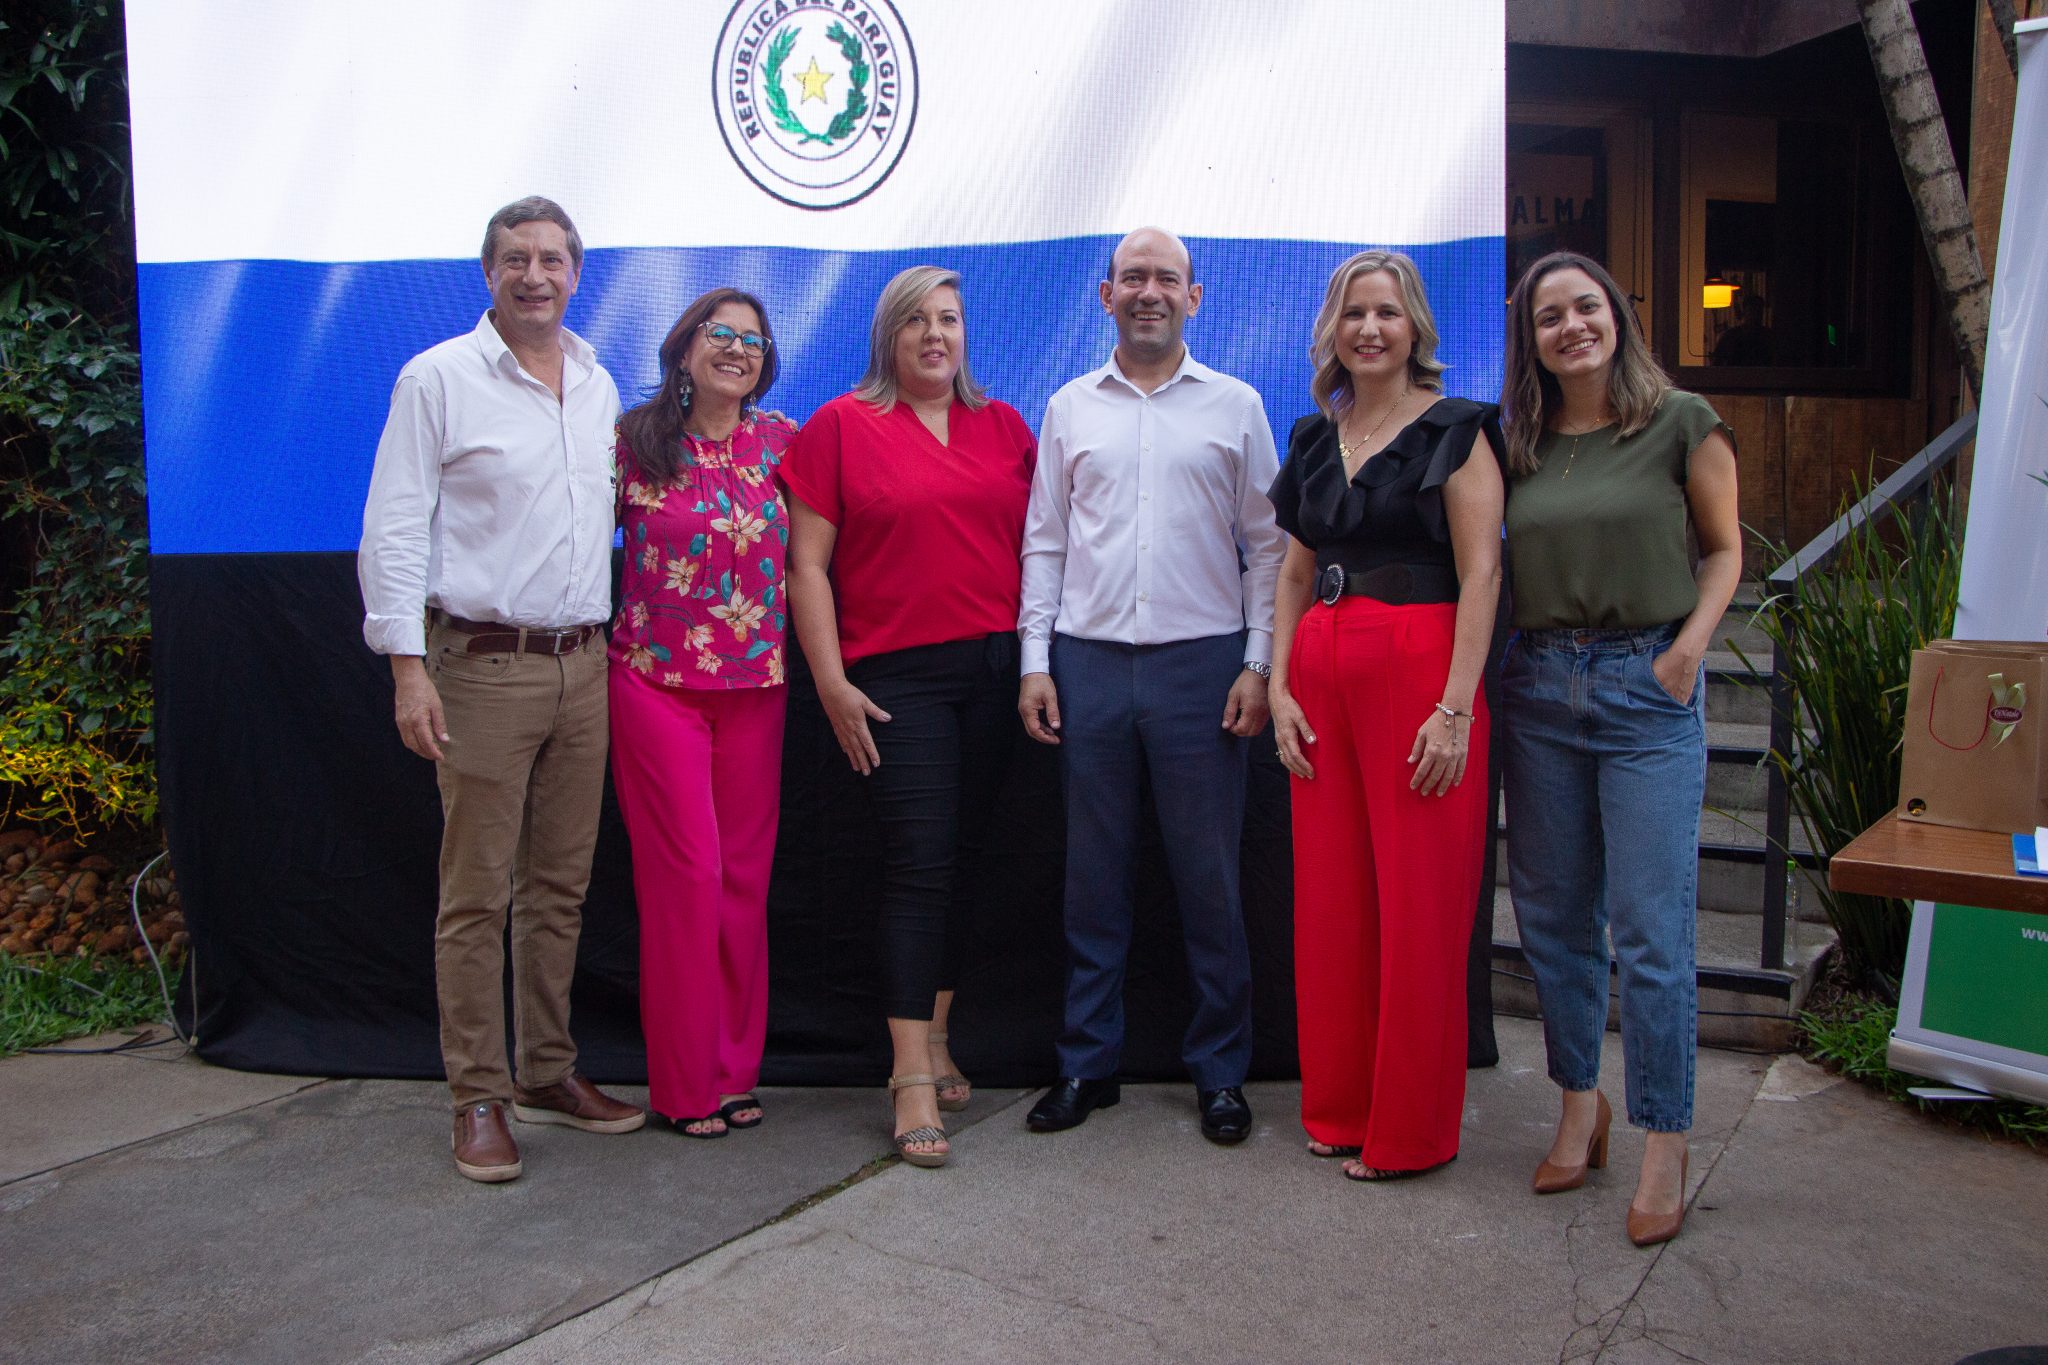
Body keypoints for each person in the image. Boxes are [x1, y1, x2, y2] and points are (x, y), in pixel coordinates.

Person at [359, 195, 645, 1183]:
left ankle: (547, 1072)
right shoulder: (437, 378)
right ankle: (477, 1094)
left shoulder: (598, 383)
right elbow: (395, 528)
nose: (535, 275)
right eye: (516, 259)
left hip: (584, 665)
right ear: (488, 273)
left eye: (552, 259)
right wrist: (406, 668)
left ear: (576, 273)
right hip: (480, 668)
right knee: (476, 894)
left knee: (559, 889)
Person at [1019, 226, 1287, 1145]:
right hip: (1088, 664)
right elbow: (1046, 541)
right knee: (1093, 878)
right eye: (1132, 277)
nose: (1149, 292)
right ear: (1106, 296)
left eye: (1166, 278)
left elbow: (1268, 547)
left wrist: (1259, 661)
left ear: (1193, 297)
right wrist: (1035, 660)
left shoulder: (1236, 405)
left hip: (1202, 668)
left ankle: (1221, 1071)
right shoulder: (1069, 407)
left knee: (1209, 879)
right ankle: (1087, 1063)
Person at [1499, 251, 1740, 1246]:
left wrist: (1686, 652)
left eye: (1584, 307)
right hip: (1538, 690)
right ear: (1531, 339)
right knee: (1553, 919)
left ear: (1616, 316)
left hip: (1646, 687)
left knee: (1649, 930)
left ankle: (1663, 1139)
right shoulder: (1517, 440)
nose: (1571, 327)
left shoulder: (1680, 421)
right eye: (1548, 316)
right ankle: (1577, 1106)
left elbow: (1723, 548)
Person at [781, 265, 1037, 1169]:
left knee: (965, 861)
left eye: (950, 319)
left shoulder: (1006, 427)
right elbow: (806, 567)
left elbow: (1042, 550)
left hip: (997, 670)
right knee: (919, 864)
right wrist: (830, 681)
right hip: (898, 679)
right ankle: (909, 1077)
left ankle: (937, 1035)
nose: (936, 335)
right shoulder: (840, 426)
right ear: (887, 337)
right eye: (916, 321)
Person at [1266, 250, 1504, 1181]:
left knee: (1418, 908)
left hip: (1420, 674)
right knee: (1332, 903)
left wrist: (1456, 707)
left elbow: (1483, 572)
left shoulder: (1457, 430)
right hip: (1320, 676)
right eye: (1355, 313)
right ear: (1333, 331)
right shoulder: (1311, 438)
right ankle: (1339, 1108)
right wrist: (1279, 686)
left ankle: (1409, 1132)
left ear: (1415, 331)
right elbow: (1294, 572)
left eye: (1388, 313)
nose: (1370, 328)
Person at [608, 289, 795, 1139]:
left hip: (758, 690)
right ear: (684, 349)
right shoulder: (632, 442)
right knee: (687, 879)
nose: (737, 348)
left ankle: (732, 1071)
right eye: (720, 333)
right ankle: (684, 1084)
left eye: (752, 339)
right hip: (656, 685)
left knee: (743, 882)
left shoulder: (784, 442)